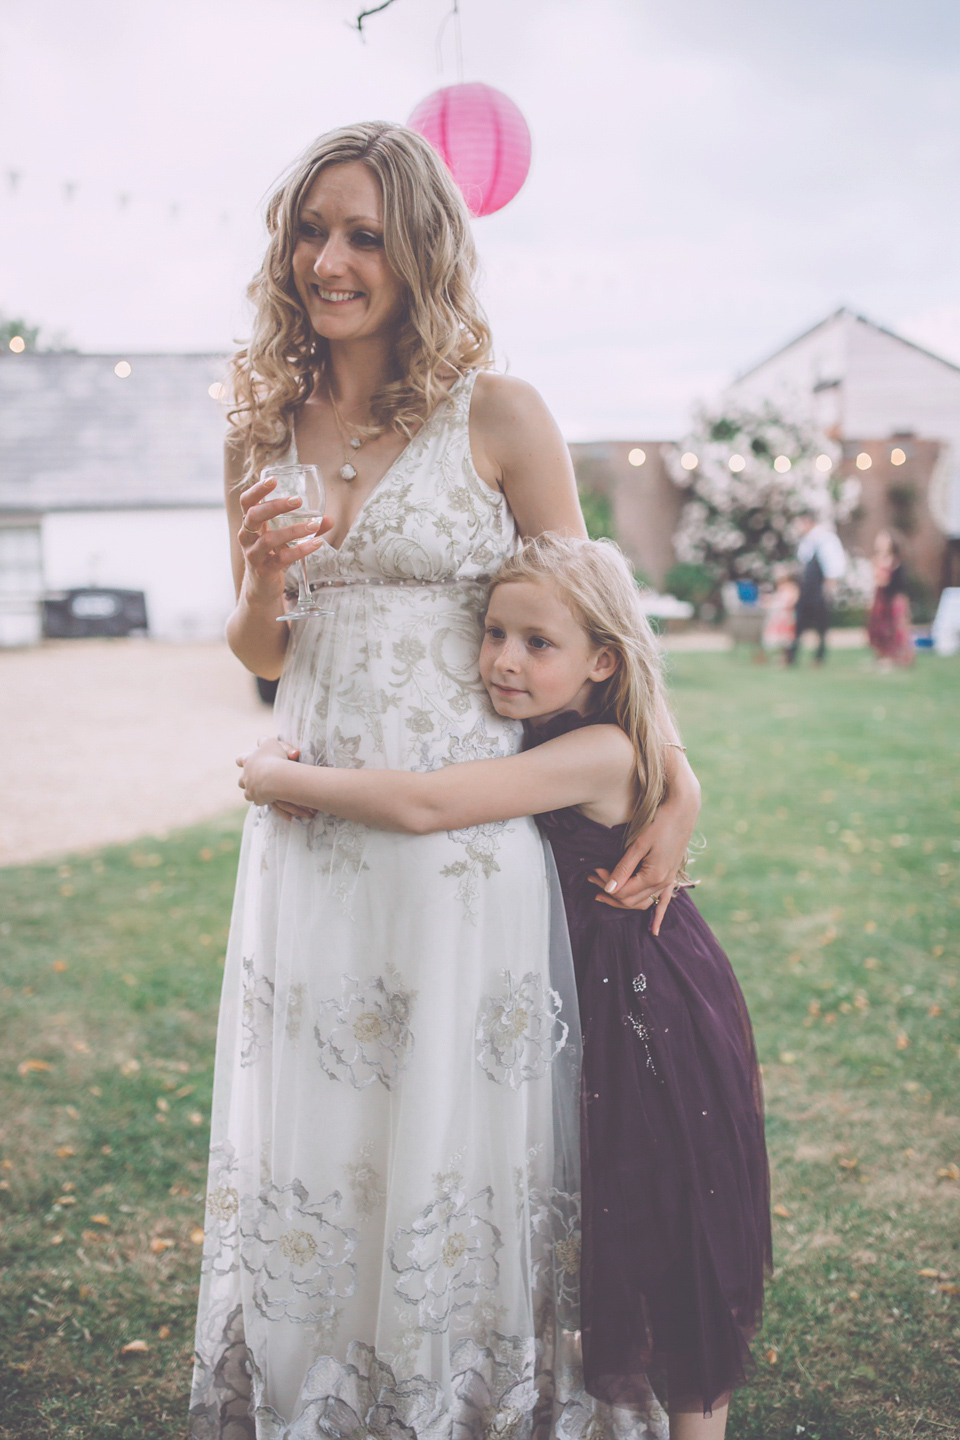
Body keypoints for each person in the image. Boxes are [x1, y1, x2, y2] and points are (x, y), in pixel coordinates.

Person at [192, 121, 701, 1439]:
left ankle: (461, 1390)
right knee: (325, 1118)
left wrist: (674, 771)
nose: (329, 259)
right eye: (311, 230)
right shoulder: (261, 427)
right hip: (309, 835)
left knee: (447, 1126)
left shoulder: (501, 414)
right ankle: (332, 1385)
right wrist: (257, 581)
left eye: (363, 233)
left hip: (459, 844)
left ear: (419, 249)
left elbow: (600, 627)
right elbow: (263, 652)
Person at [238, 534, 772, 1440]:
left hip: (643, 1010)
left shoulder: (600, 749)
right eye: (494, 634)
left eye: (537, 643)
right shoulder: (540, 727)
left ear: (603, 661)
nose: (504, 660)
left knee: (665, 1226)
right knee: (595, 1216)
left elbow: (428, 804)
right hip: (581, 1000)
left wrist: (279, 778)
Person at [785, 509, 846, 665]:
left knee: (821, 625)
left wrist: (827, 589)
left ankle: (819, 657)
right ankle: (792, 655)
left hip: (818, 589)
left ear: (807, 521)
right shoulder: (806, 541)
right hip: (806, 589)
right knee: (799, 622)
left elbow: (833, 565)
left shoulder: (825, 539)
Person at [867, 529, 914, 668]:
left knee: (897, 628)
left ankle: (900, 658)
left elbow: (897, 583)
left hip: (894, 598)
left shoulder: (896, 561)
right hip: (881, 597)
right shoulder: (876, 559)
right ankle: (882, 655)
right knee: (878, 627)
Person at [761, 567, 799, 662]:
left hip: (786, 617)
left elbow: (791, 602)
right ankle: (776, 658)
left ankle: (785, 659)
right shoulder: (780, 588)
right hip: (778, 616)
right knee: (775, 639)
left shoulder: (792, 588)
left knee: (786, 640)